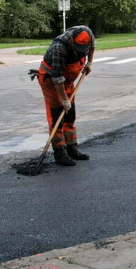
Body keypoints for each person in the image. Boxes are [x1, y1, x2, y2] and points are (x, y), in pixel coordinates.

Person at [37, 26, 94, 165]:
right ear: (71, 41)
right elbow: (57, 78)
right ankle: (60, 152)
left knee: (70, 114)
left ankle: (71, 147)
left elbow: (92, 47)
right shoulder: (58, 48)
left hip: (67, 81)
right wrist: (63, 100)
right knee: (57, 116)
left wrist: (89, 62)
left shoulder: (88, 34)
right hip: (51, 81)